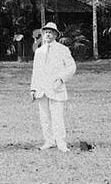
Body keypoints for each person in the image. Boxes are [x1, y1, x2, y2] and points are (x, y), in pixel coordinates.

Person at [30, 21, 76, 151]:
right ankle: (48, 141)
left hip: (56, 88)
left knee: (57, 117)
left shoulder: (63, 50)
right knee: (44, 117)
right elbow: (36, 71)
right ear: (42, 34)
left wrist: (61, 79)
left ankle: (61, 143)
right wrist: (33, 88)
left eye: (50, 32)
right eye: (46, 32)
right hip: (41, 89)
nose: (48, 34)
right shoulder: (39, 51)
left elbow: (71, 67)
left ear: (55, 35)